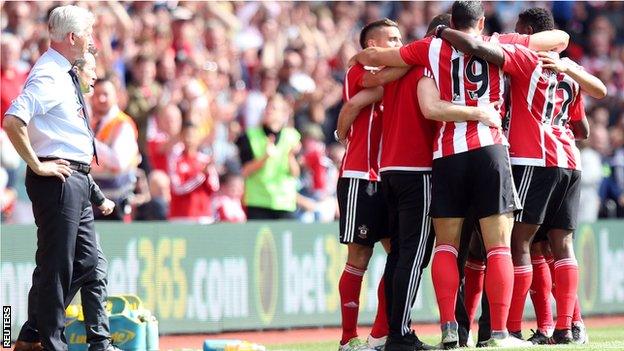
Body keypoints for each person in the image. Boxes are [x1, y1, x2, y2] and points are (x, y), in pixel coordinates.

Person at [350, 1, 570, 347]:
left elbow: (377, 59)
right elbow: (560, 38)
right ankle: (499, 333)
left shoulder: (429, 47)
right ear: (481, 22)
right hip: (489, 149)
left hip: (447, 153)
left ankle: (450, 330)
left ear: (451, 21)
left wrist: (363, 58)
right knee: (497, 245)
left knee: (448, 246)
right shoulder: (503, 42)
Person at [438, 6, 606, 344]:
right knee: (559, 245)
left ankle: (513, 327)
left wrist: (441, 33)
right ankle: (568, 327)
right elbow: (583, 127)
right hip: (570, 161)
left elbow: (480, 50)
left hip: (533, 158)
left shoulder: (525, 57)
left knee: (518, 243)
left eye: (520, 29)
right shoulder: (569, 69)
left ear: (528, 30)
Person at [2, 5, 118, 351]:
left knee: (87, 263)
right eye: (89, 33)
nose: (92, 40)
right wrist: (37, 164)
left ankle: (32, 336)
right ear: (72, 37)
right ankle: (51, 343)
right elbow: (13, 120)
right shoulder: (51, 75)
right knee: (57, 267)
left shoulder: (61, 72)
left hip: (75, 178)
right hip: (60, 178)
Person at [236, 94, 301, 219]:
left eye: (274, 108)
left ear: (284, 114)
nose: (268, 111)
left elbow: (295, 173)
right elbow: (245, 171)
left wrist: (291, 156)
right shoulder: (249, 136)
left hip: (284, 202)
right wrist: (265, 157)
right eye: (267, 108)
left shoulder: (293, 137)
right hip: (258, 202)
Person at [89, 75, 141, 220]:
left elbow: (119, 161)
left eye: (106, 94)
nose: (101, 99)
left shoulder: (123, 124)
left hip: (116, 205)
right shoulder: (93, 124)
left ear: (116, 96)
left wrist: (90, 141)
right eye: (97, 94)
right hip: (97, 204)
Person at [168, 121, 220, 222]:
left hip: (203, 216)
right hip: (181, 216)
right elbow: (177, 188)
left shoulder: (205, 160)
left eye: (192, 136)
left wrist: (209, 173)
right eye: (186, 135)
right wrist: (201, 175)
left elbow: (215, 187)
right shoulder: (175, 160)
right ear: (181, 137)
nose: (189, 139)